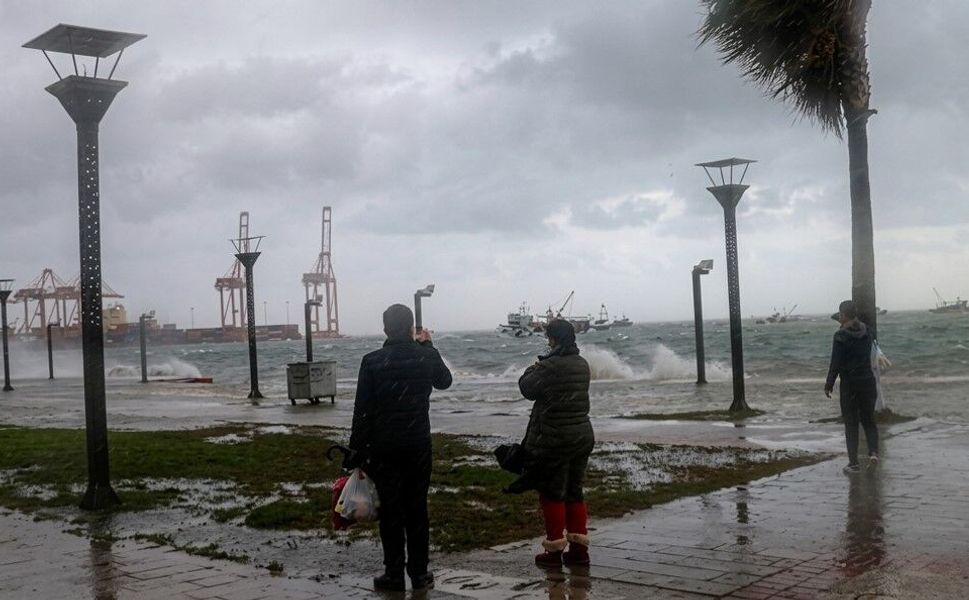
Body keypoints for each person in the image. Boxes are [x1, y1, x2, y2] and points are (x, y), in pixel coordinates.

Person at [347, 304, 452, 592]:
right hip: (417, 444)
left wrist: (356, 450)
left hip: (383, 447)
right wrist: (428, 345)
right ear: (410, 328)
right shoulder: (425, 356)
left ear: (385, 329)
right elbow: (445, 381)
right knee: (417, 508)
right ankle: (419, 573)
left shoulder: (372, 361)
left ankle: (393, 574)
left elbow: (362, 410)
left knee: (391, 510)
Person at [516, 319, 595, 567]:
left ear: (553, 339)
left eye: (548, 337)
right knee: (574, 491)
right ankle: (579, 550)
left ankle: (553, 551)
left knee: (552, 493)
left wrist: (533, 367)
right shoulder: (582, 364)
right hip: (581, 435)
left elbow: (527, 388)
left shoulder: (549, 366)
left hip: (555, 438)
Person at [825, 300, 879, 474]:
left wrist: (829, 384)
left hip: (850, 385)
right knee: (869, 420)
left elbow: (836, 362)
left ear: (842, 315)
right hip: (868, 382)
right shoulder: (868, 331)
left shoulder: (840, 336)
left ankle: (853, 464)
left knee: (851, 424)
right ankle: (873, 453)